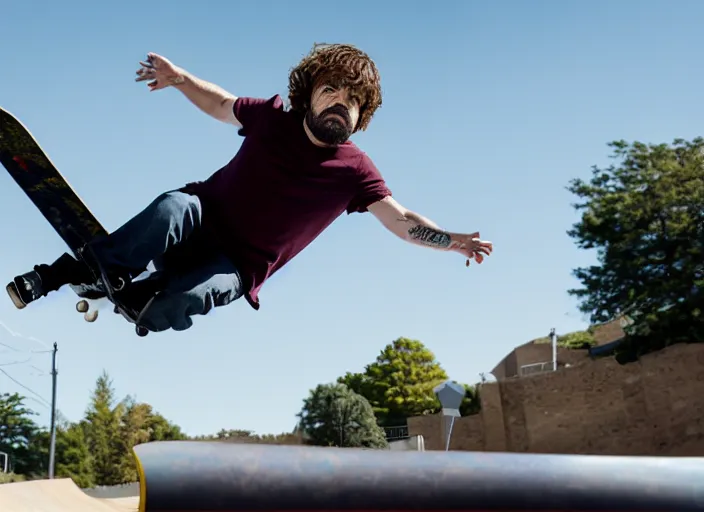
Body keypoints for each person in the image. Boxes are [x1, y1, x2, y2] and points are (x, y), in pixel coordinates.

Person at [6, 43, 493, 333]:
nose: (340, 106)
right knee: (169, 210)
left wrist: (451, 240)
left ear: (362, 116)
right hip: (201, 216)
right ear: (309, 96)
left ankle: (135, 294)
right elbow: (222, 104)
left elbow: (401, 220)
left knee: (180, 304)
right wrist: (178, 79)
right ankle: (58, 274)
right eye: (331, 92)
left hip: (237, 266)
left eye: (353, 102)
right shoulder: (273, 118)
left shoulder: (355, 172)